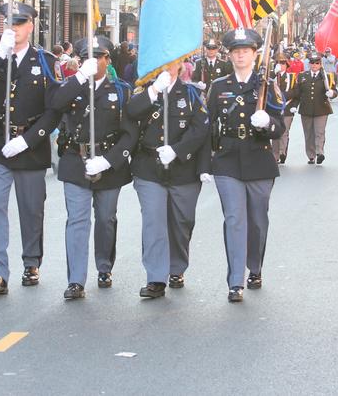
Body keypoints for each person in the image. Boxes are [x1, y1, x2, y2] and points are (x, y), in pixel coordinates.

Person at [0, 2, 62, 295]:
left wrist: (29, 139)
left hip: (30, 143)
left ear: (31, 26)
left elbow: (54, 110)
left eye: (20, 23)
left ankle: (31, 261)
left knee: (31, 208)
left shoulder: (45, 61)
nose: (14, 28)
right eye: (9, 23)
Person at [199, 27, 285, 303]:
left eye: (245, 51)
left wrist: (268, 123)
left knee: (257, 221)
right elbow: (206, 126)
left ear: (255, 54)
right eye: (236, 51)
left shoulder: (265, 84)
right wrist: (204, 164)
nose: (240, 56)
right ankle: (235, 280)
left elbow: (279, 126)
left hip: (259, 160)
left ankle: (255, 267)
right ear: (230, 55)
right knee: (234, 219)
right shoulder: (220, 86)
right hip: (227, 161)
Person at [50, 35, 137, 300]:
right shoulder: (71, 85)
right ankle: (76, 280)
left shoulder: (121, 90)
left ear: (107, 60)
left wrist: (110, 159)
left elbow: (130, 133)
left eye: (98, 57)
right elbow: (55, 104)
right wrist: (78, 79)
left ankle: (104, 266)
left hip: (108, 162)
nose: (93, 61)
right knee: (76, 221)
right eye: (87, 56)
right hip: (76, 160)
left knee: (106, 219)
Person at [126, 60, 209, 298]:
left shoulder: (191, 93)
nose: (166, 66)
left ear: (181, 64)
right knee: (153, 221)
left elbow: (201, 126)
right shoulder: (145, 90)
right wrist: (153, 91)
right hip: (149, 167)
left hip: (183, 167)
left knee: (182, 222)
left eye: (172, 62)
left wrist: (178, 150)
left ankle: (176, 267)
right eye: (162, 61)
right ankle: (156, 277)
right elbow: (131, 112)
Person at [291, 55, 335, 163]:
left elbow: (334, 90)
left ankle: (320, 152)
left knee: (319, 132)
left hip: (322, 108)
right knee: (309, 133)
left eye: (317, 63)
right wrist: (293, 105)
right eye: (312, 63)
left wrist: (332, 93)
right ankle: (311, 155)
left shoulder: (326, 76)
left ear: (320, 65)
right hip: (306, 109)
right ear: (309, 64)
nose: (314, 65)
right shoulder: (302, 76)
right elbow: (298, 93)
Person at [271, 58, 298, 164]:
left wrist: (284, 97)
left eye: (283, 64)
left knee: (284, 131)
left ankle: (282, 152)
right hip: (274, 108)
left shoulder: (292, 77)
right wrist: (274, 73)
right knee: (274, 131)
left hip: (287, 107)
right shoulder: (272, 76)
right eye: (279, 64)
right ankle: (275, 154)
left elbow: (296, 91)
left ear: (287, 66)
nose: (281, 66)